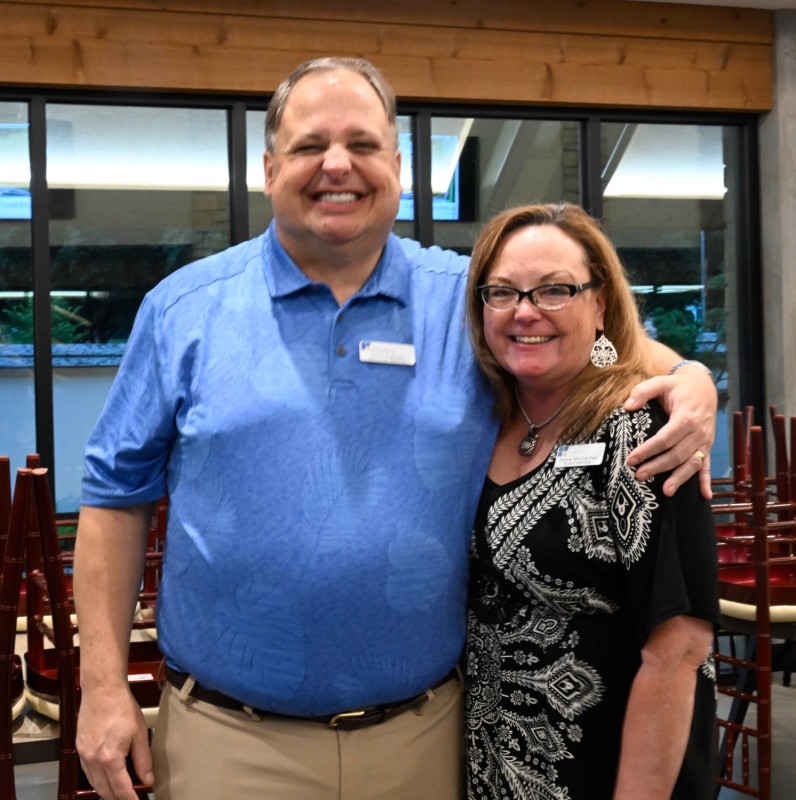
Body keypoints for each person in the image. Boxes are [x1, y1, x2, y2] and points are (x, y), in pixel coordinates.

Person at [72, 58, 718, 800]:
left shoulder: (465, 299)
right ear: (269, 165)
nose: (337, 164)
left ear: (400, 167)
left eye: (364, 144)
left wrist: (694, 384)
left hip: (427, 740)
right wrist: (103, 687)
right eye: (312, 145)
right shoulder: (182, 310)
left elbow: (601, 340)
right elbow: (113, 498)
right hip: (229, 742)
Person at [464, 202, 720, 800]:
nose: (526, 312)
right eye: (503, 292)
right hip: (495, 765)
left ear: (600, 304)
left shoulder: (643, 428)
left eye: (555, 290)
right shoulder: (484, 420)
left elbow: (678, 650)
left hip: (617, 771)